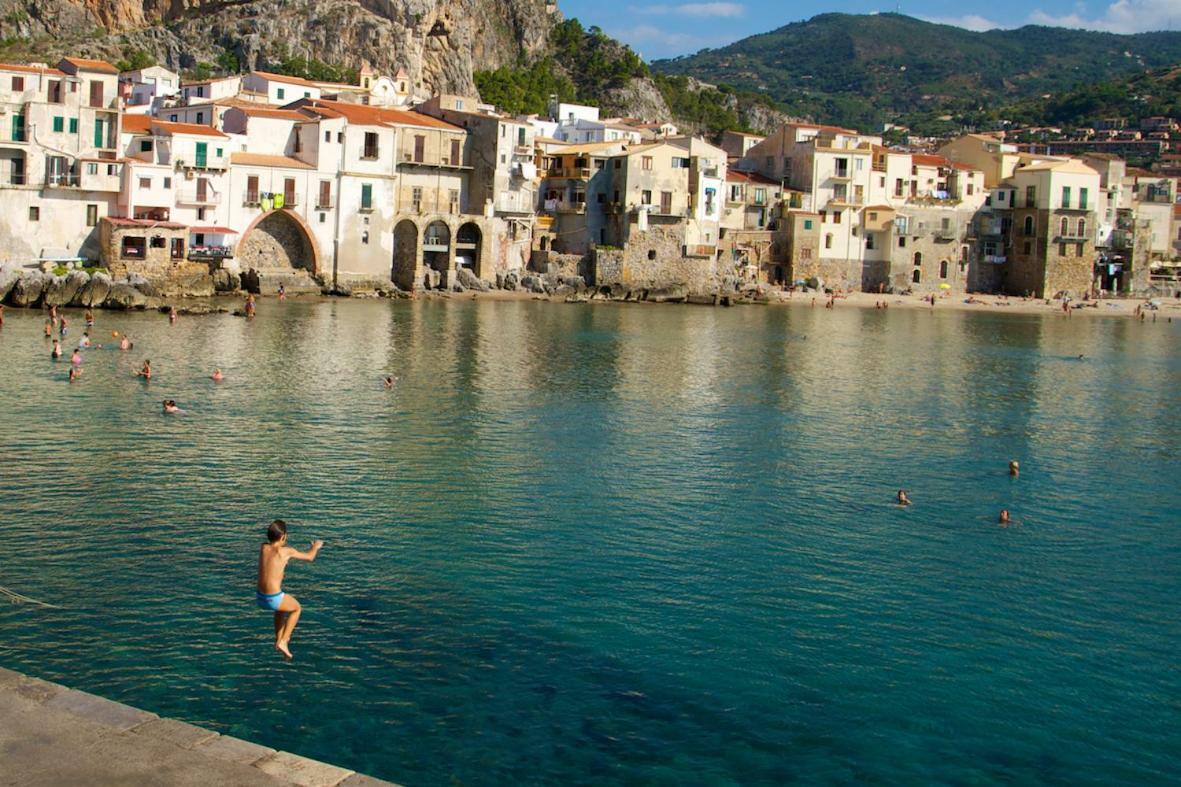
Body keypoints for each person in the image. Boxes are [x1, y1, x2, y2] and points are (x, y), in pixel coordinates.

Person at [256, 520, 324, 660]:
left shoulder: (263, 548)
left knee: (280, 609)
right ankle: (284, 640)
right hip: (273, 597)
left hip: (260, 597)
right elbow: (310, 557)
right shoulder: (287, 551)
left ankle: (278, 640)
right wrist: (315, 547)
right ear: (283, 537)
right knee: (297, 608)